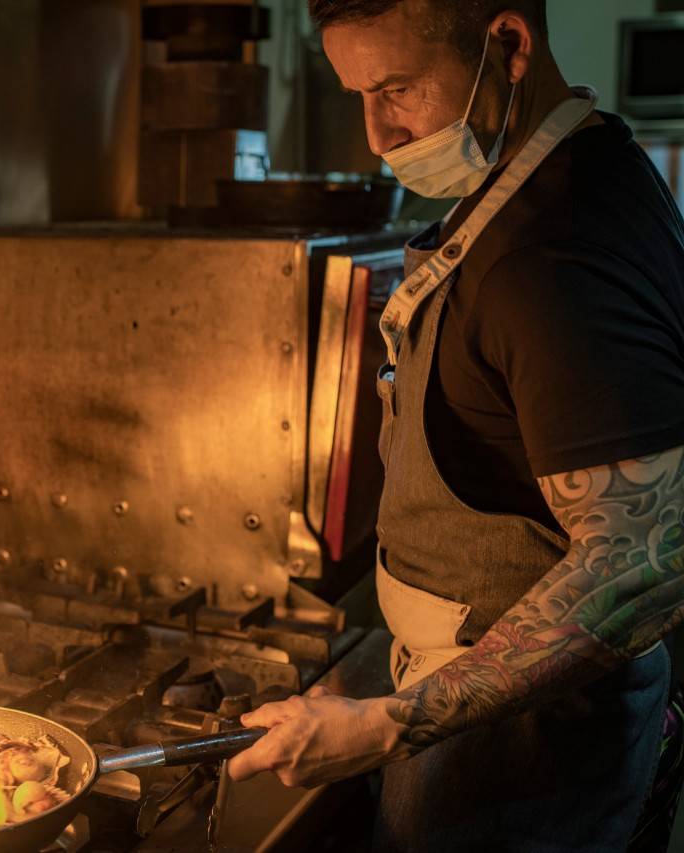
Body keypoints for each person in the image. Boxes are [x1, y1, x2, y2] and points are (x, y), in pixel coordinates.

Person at [226, 1, 684, 850]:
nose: (376, 133)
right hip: (483, 709)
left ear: (508, 45)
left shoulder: (555, 255)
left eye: (397, 87)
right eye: (358, 93)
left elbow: (644, 565)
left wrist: (391, 722)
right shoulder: (568, 166)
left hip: (532, 750)